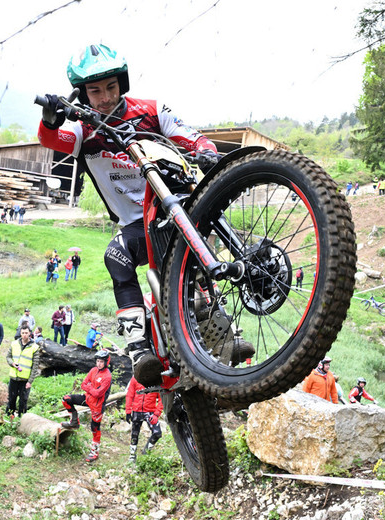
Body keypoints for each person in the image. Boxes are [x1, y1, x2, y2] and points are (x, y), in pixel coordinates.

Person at [37, 43, 250, 387]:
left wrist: (205, 152)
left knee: (193, 261)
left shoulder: (151, 110)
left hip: (177, 202)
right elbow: (54, 141)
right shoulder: (82, 126)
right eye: (94, 90)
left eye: (110, 87)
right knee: (115, 256)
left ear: (122, 83)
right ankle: (139, 350)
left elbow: (191, 135)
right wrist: (50, 118)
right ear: (82, 93)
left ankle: (223, 335)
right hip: (136, 225)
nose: (104, 97)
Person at [61, 349, 113, 463]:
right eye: (97, 361)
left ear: (106, 362)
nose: (99, 364)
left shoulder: (107, 376)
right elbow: (83, 384)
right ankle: (74, 422)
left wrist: (89, 388)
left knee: (94, 428)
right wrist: (91, 389)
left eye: (101, 362)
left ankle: (95, 452)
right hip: (87, 398)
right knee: (66, 399)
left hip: (97, 405)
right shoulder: (93, 370)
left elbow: (98, 393)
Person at [125, 375, 163, 462]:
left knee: (157, 433)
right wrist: (128, 411)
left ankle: (146, 451)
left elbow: (162, 398)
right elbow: (130, 395)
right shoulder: (135, 378)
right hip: (136, 410)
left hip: (150, 412)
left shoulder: (156, 379)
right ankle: (132, 455)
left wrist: (157, 414)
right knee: (134, 434)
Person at [6, 326, 39, 417]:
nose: (24, 335)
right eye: (23, 333)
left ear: (30, 333)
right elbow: (8, 357)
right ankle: (9, 417)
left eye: (26, 333)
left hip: (25, 379)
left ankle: (22, 419)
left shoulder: (34, 347)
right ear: (20, 333)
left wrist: (30, 381)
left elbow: (35, 366)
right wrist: (12, 363)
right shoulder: (14, 344)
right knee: (11, 399)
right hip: (14, 377)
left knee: (23, 401)